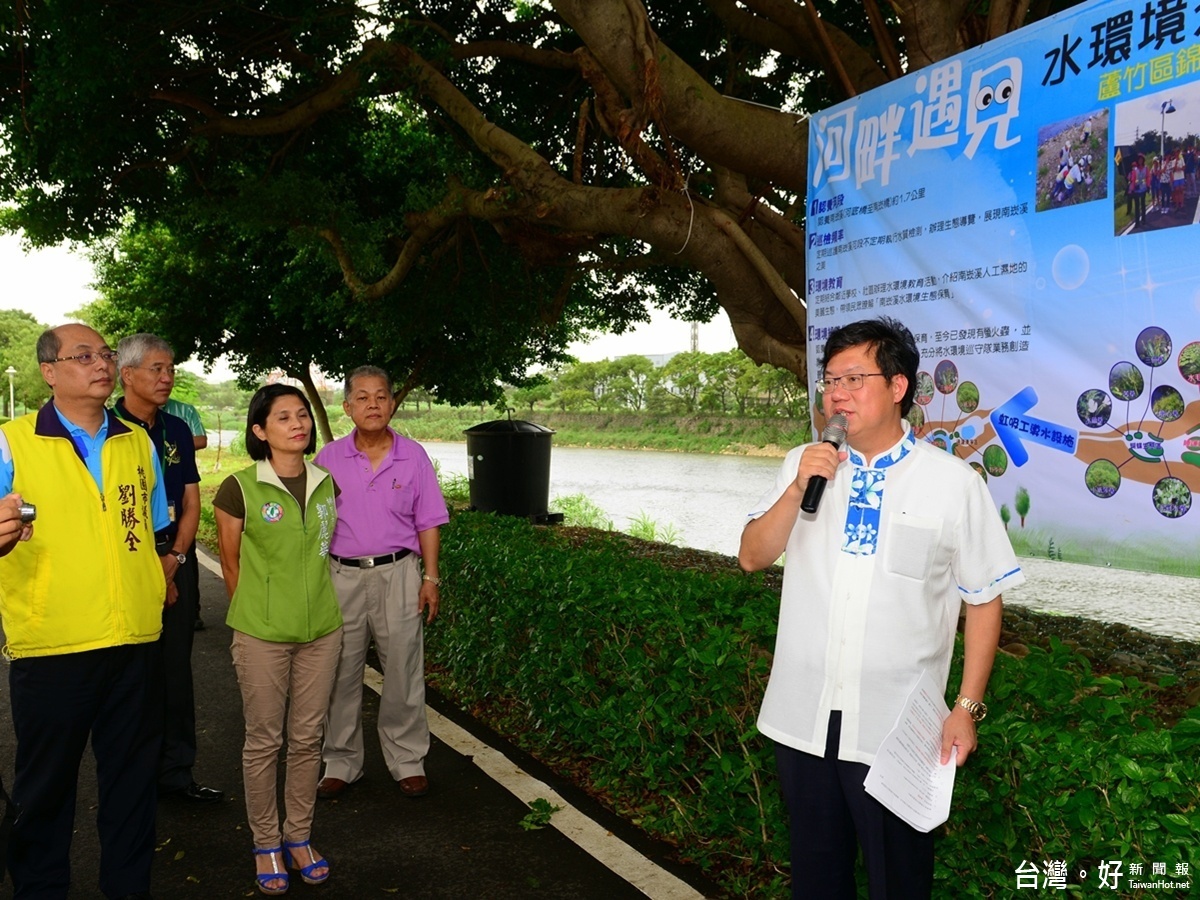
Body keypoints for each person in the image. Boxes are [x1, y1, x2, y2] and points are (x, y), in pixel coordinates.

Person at [739, 317, 1024, 899]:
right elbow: (751, 557)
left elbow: (984, 599)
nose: (836, 393)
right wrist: (798, 488)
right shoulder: (804, 464)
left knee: (899, 884)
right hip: (803, 722)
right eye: (829, 379)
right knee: (817, 883)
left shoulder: (952, 484)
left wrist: (966, 707)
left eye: (853, 377)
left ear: (898, 388)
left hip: (897, 731)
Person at [0, 323, 174, 899]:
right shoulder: (11, 442)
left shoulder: (137, 441)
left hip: (135, 645)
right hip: (53, 647)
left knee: (132, 787)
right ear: (49, 372)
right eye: (83, 356)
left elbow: (151, 530)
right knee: (45, 791)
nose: (100, 364)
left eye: (104, 354)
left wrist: (157, 581)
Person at [213, 383, 342, 895]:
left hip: (322, 631)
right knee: (265, 741)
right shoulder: (238, 488)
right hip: (262, 633)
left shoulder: (326, 482)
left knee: (308, 739)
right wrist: (253, 617)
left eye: (303, 415)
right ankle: (266, 841)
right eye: (284, 417)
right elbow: (229, 561)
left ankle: (300, 836)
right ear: (260, 431)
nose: (298, 424)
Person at [315, 366, 448, 801]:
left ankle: (407, 760)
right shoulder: (327, 460)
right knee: (339, 672)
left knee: (404, 670)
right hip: (342, 576)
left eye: (381, 396)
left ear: (392, 403)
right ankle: (341, 762)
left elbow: (428, 521)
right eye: (363, 397)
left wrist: (430, 578)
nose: (373, 404)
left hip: (399, 573)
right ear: (347, 406)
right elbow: (314, 528)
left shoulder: (414, 456)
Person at [115, 333, 223, 805]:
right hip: (123, 556)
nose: (166, 377)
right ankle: (131, 780)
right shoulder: (107, 427)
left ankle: (176, 775)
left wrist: (175, 561)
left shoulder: (177, 429)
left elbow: (192, 500)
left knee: (175, 671)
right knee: (128, 674)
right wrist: (150, 570)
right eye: (156, 369)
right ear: (128, 374)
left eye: (170, 368)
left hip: (174, 553)